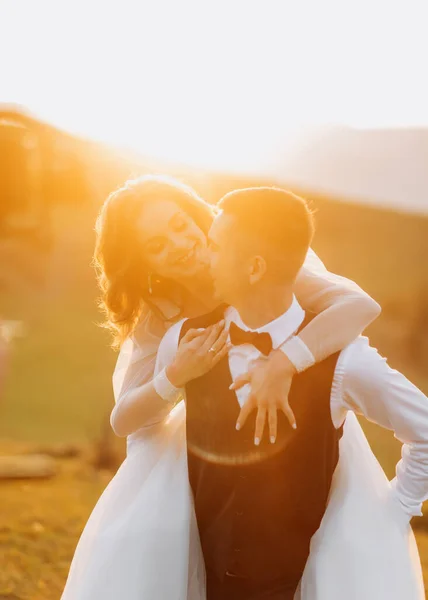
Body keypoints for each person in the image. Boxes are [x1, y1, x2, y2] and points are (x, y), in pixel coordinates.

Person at [61, 175, 380, 600]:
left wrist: (284, 362)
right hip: (208, 446)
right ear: (145, 265)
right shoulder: (160, 315)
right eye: (156, 246)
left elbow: (360, 306)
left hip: (299, 430)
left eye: (179, 224)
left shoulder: (254, 260)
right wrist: (173, 375)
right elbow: (125, 420)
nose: (177, 244)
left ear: (196, 216)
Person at [154, 187, 427, 599]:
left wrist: (392, 513)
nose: (203, 257)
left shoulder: (345, 362)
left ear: (254, 267)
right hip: (200, 577)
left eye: (216, 246)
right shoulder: (189, 341)